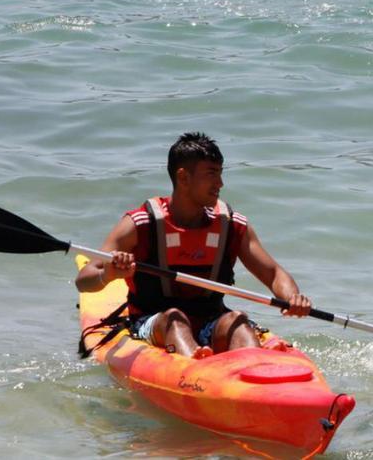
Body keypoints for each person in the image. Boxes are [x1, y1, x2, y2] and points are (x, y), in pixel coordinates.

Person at [75, 132, 312, 358]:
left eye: (220, 173)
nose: (220, 183)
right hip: (153, 323)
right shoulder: (140, 224)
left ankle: (255, 371)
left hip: (211, 321)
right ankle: (194, 374)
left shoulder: (230, 226)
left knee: (238, 320)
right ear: (183, 177)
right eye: (211, 174)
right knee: (175, 319)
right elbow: (85, 279)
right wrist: (109, 273)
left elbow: (273, 273)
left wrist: (292, 298)